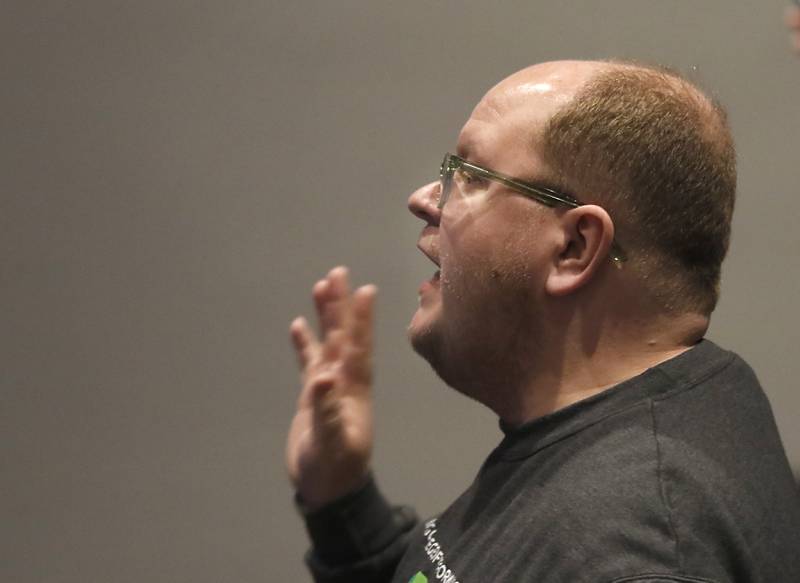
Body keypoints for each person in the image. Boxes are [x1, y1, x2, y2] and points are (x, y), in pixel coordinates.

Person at [286, 60, 800, 583]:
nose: (424, 200)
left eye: (469, 175)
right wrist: (342, 505)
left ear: (574, 248)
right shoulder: (679, 413)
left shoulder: (633, 548)